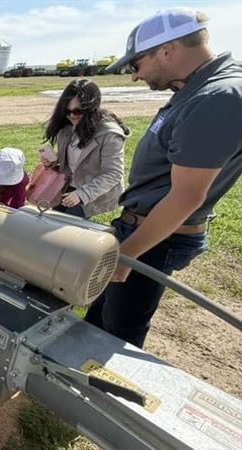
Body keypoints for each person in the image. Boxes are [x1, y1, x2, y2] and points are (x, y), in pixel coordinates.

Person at [84, 7, 242, 348]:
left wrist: (128, 254)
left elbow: (187, 196)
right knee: (100, 314)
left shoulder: (216, 99)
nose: (134, 76)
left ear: (167, 50)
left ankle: (104, 397)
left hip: (154, 238)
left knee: (119, 331)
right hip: (140, 228)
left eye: (136, 64)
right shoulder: (195, 91)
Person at [40, 79, 129, 218]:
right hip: (68, 186)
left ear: (91, 108)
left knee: (68, 226)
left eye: (77, 111)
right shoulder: (67, 127)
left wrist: (83, 194)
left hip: (95, 192)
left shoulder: (110, 134)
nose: (72, 116)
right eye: (67, 111)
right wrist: (55, 162)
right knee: (49, 217)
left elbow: (113, 174)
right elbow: (76, 160)